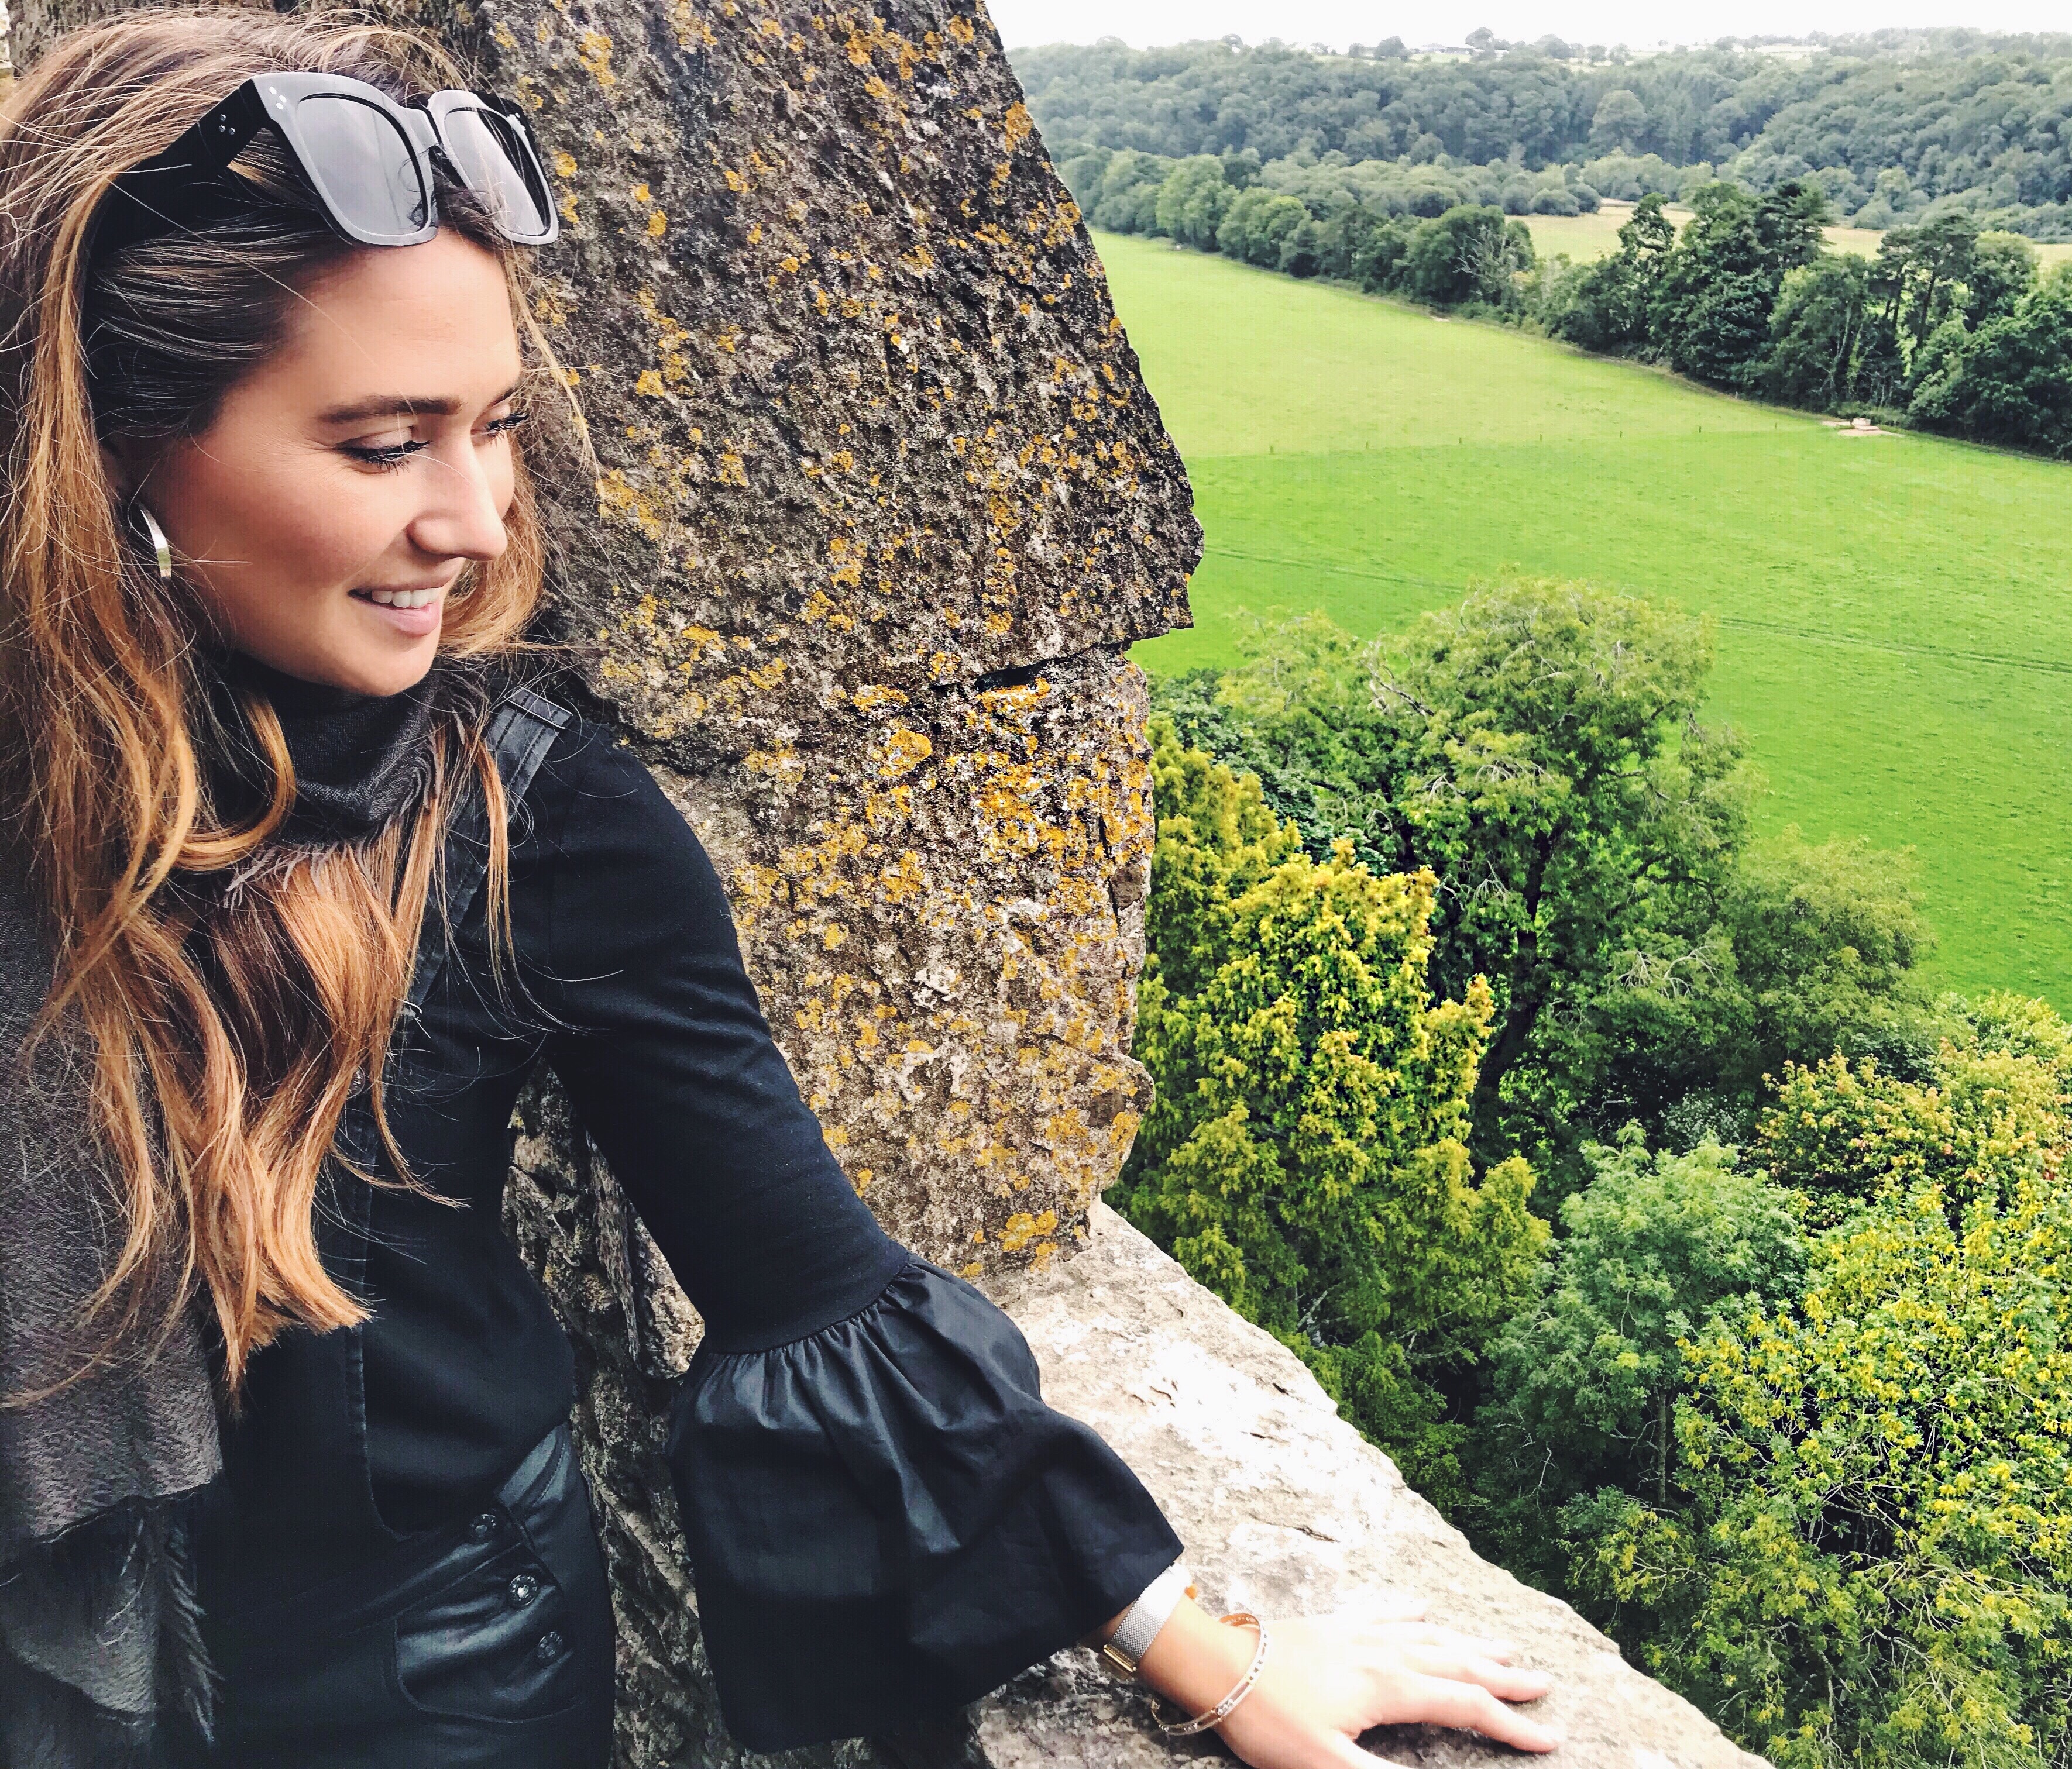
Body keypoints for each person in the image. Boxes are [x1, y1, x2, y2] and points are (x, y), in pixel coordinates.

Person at [0, 13, 1561, 1769]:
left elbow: (811, 1286)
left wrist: (1219, 1657)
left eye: (497, 425)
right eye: (382, 445)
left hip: (423, 1678)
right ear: (124, 443)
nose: (475, 517)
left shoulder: (527, 815)